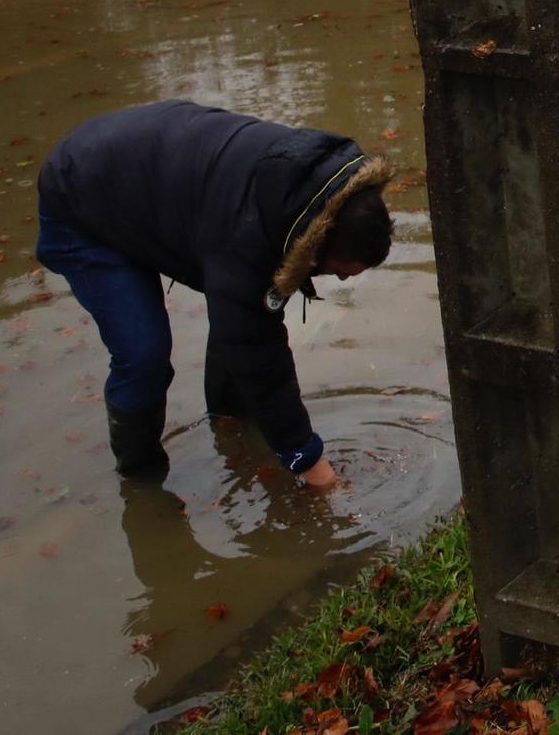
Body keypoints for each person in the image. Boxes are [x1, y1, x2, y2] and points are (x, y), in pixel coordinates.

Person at [36, 100, 395, 486]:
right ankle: (142, 482)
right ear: (318, 242)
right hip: (80, 199)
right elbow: (258, 354)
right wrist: (313, 467)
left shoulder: (310, 191)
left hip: (140, 177)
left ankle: (229, 424)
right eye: (338, 272)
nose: (339, 282)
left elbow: (244, 322)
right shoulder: (248, 236)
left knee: (242, 315)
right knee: (144, 355)